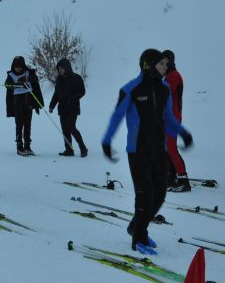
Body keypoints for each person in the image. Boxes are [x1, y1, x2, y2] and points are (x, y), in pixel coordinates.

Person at [101, 48, 193, 254]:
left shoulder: (164, 89)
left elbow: (168, 118)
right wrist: (107, 141)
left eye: (166, 64)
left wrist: (183, 133)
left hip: (159, 150)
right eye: (162, 64)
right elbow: (117, 116)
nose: (165, 67)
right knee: (144, 195)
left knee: (159, 195)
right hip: (137, 150)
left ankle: (136, 226)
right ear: (149, 65)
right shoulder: (130, 89)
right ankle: (139, 239)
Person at [162, 50, 190, 192]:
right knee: (168, 148)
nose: (164, 64)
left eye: (166, 61)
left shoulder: (173, 76)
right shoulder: (169, 76)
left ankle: (183, 180)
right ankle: (171, 176)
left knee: (171, 148)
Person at [5, 56, 44, 156]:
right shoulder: (11, 75)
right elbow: (7, 84)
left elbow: (35, 79)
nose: (18, 68)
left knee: (28, 124)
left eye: (20, 66)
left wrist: (26, 78)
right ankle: (19, 146)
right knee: (19, 124)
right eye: (16, 66)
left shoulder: (28, 72)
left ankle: (27, 146)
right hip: (17, 102)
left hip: (29, 101)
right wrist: (13, 84)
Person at [49, 58, 88, 157]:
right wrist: (52, 105)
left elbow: (82, 91)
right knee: (65, 129)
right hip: (62, 108)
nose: (60, 70)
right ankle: (69, 150)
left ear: (67, 68)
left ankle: (83, 148)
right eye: (59, 69)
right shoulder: (59, 79)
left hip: (73, 107)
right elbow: (56, 94)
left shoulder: (76, 78)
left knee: (71, 127)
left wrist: (72, 99)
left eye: (62, 68)